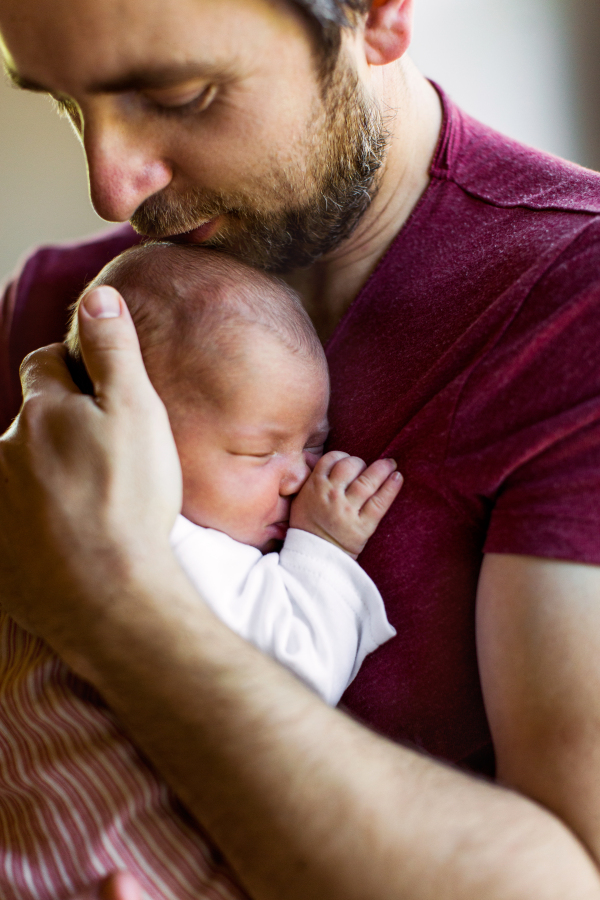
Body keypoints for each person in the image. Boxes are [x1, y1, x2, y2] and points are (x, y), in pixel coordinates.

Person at [2, 0, 600, 898]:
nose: (112, 189)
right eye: (66, 105)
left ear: (378, 17)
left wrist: (114, 604)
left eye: (180, 95)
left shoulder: (570, 312)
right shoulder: (74, 313)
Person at [0, 242, 398, 900]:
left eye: (313, 444)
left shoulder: (31, 506)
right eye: (257, 449)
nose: (298, 475)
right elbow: (293, 677)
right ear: (129, 424)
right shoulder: (175, 545)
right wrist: (323, 545)